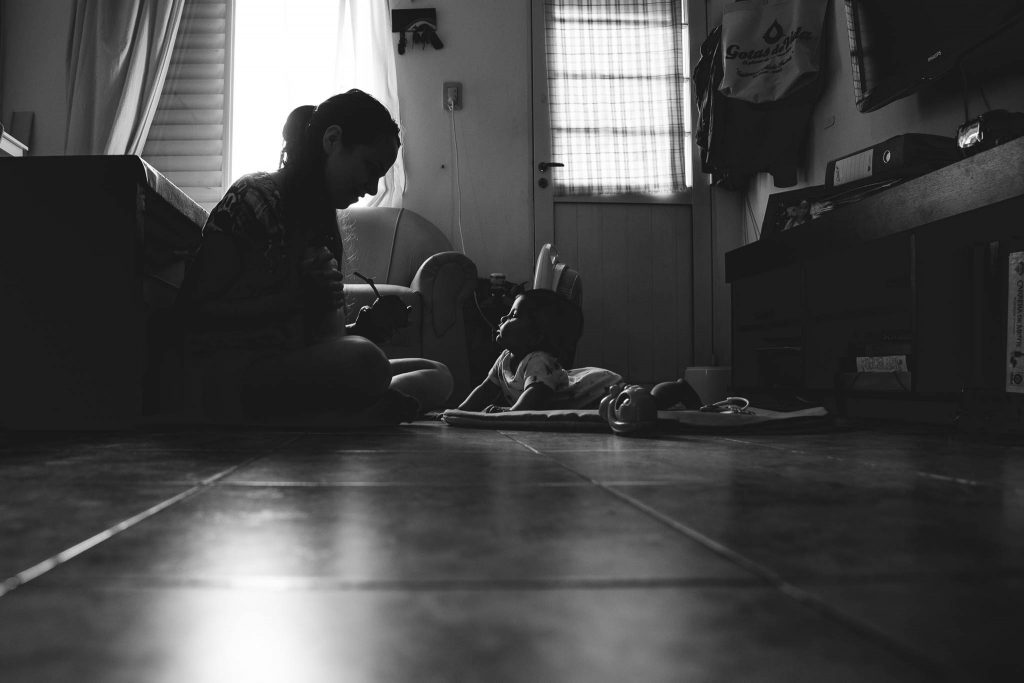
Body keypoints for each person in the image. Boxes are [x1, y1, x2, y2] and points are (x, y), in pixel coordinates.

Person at [178, 89, 452, 426]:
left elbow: (316, 340)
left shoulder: (321, 223)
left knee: (437, 374)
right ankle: (347, 416)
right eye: (369, 167)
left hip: (296, 370)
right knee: (368, 363)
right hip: (241, 371)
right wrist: (292, 296)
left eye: (380, 177)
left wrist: (364, 327)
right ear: (332, 140)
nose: (370, 188)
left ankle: (348, 414)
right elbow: (194, 313)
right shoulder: (253, 198)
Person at [458, 289, 621, 412]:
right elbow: (485, 390)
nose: (502, 318)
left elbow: (532, 401)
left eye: (513, 315)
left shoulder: (538, 360)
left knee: (628, 402)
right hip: (585, 384)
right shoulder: (505, 358)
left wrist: (509, 413)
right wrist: (458, 412)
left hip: (600, 387)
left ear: (536, 336)